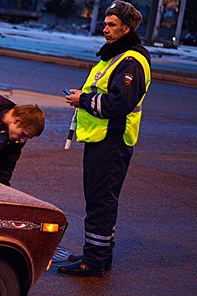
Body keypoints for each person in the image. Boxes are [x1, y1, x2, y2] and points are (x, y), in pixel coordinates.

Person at [58, 0, 151, 277]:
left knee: (101, 200)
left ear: (126, 28)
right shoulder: (114, 56)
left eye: (111, 25)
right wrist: (83, 97)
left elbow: (118, 104)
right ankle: (99, 254)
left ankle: (94, 261)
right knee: (100, 199)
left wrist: (83, 100)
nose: (105, 29)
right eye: (105, 23)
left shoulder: (131, 60)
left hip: (113, 141)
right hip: (102, 139)